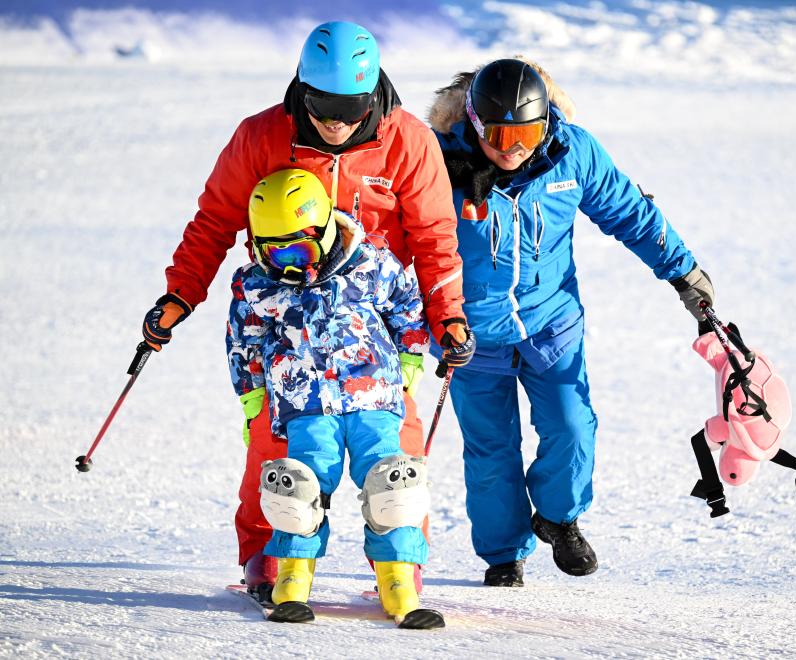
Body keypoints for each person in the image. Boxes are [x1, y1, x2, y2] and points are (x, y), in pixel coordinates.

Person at [140, 21, 475, 599]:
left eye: (350, 108)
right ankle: (268, 556)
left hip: (374, 319)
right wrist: (180, 294)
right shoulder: (261, 136)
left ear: (373, 97)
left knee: (395, 447)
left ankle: (400, 566)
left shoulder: (409, 141)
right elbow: (214, 222)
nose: (336, 122)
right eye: (322, 106)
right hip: (286, 318)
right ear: (302, 89)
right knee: (275, 441)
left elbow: (435, 239)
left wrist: (447, 317)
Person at [426, 59, 715, 586]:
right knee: (490, 450)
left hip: (551, 324)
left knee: (572, 426)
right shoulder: (437, 164)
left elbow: (630, 212)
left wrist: (684, 274)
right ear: (473, 121)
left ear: (546, 123)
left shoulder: (571, 153)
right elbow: (405, 243)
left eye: (527, 134)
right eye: (499, 136)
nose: (513, 149)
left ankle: (560, 519)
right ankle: (504, 553)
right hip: (470, 336)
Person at [226, 168, 441, 628]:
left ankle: (398, 580)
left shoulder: (370, 264)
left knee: (392, 484)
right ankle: (293, 579)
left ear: (324, 231)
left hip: (373, 398)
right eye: (276, 253)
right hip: (304, 403)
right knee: (298, 488)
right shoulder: (257, 286)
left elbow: (408, 307)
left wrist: (409, 360)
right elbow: (243, 343)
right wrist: (252, 398)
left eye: (299, 252)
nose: (290, 267)